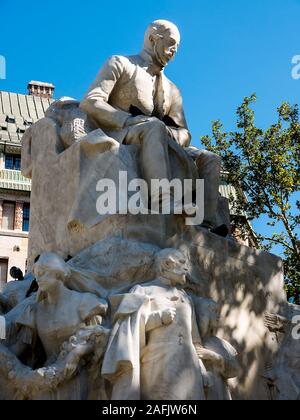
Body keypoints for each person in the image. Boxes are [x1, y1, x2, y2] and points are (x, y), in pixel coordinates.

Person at [80, 19, 222, 226]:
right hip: (122, 133)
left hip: (162, 138)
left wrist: (171, 134)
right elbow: (91, 101)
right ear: (153, 39)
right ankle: (163, 200)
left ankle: (206, 224)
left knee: (210, 159)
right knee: (153, 127)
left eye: (178, 47)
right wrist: (128, 120)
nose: (174, 50)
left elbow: (184, 131)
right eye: (171, 43)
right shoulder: (121, 63)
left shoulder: (173, 90)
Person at [102, 248, 206, 400]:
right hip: (158, 365)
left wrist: (201, 368)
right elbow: (126, 328)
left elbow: (195, 339)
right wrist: (157, 318)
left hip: (189, 368)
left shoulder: (186, 297)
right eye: (182, 262)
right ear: (167, 263)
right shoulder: (143, 290)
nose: (186, 268)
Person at [194, 298, 240, 400]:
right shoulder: (190, 343)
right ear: (203, 314)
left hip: (219, 393)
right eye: (214, 312)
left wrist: (215, 357)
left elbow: (235, 370)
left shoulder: (220, 343)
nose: (218, 316)